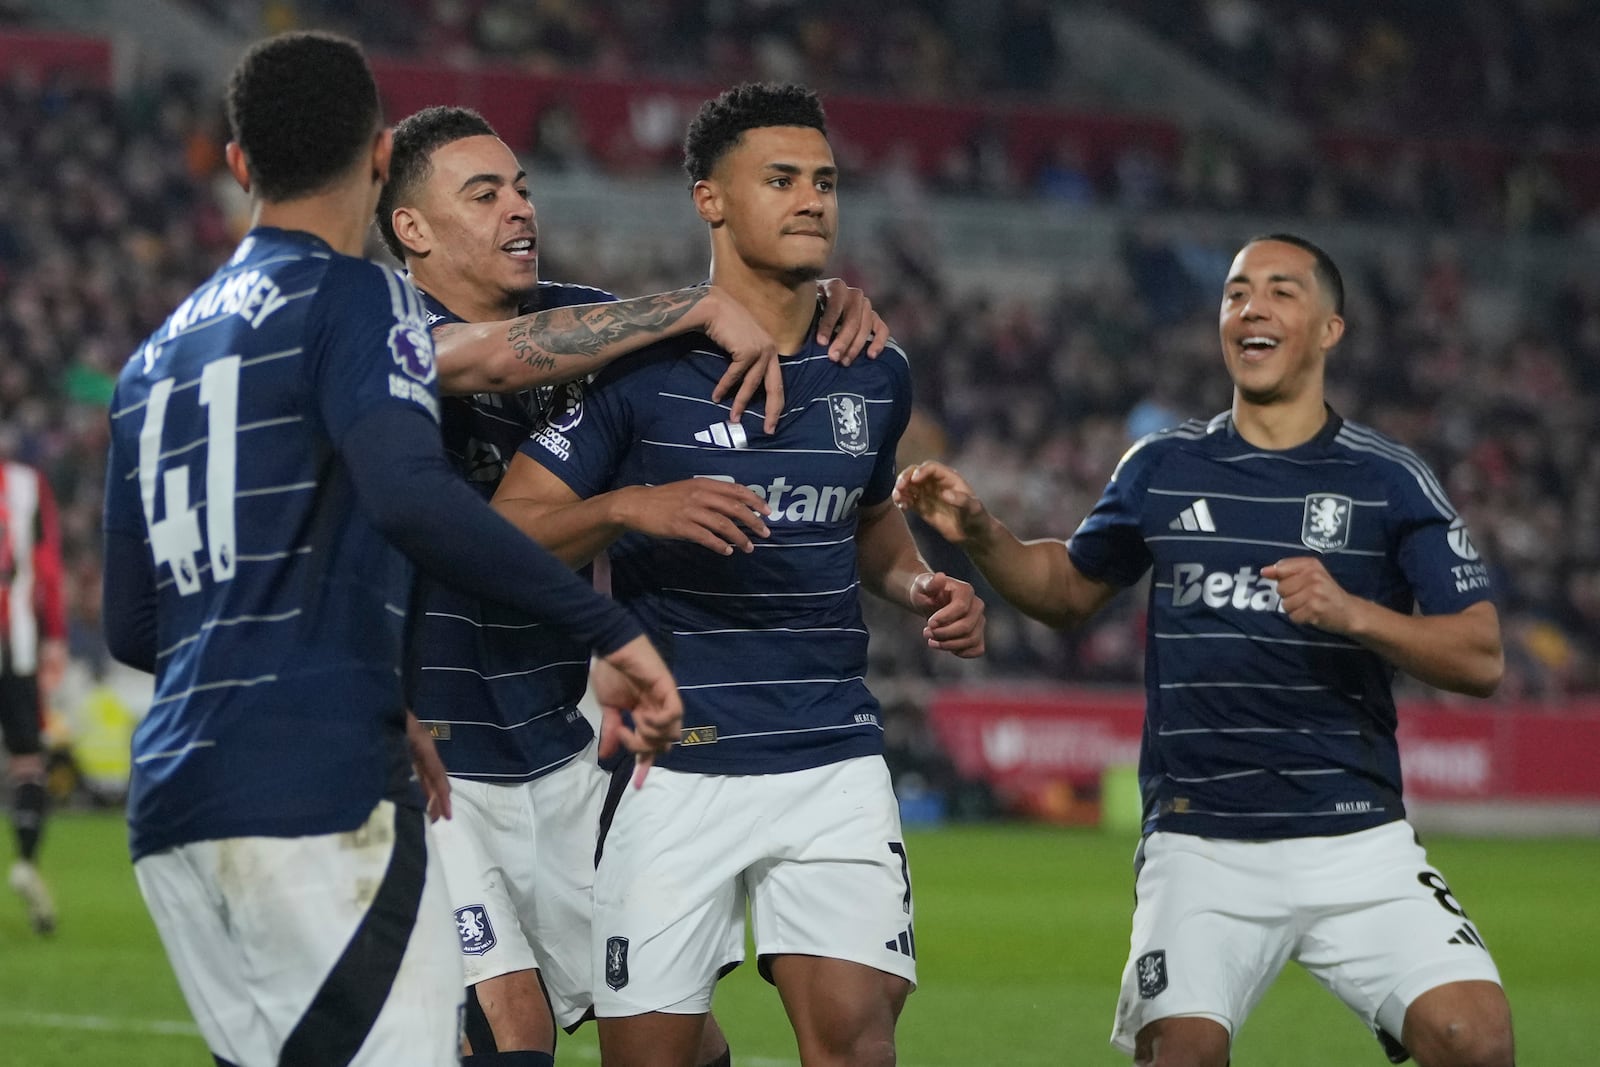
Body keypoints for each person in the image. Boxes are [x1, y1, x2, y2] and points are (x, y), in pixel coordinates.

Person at [100, 32, 681, 1067]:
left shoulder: (154, 356)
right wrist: (604, 622)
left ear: (239, 165)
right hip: (309, 796)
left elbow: (135, 624)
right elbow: (410, 495)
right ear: (379, 164)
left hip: (172, 803)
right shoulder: (359, 298)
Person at [894, 234, 1514, 1067]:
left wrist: (1354, 614)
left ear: (1332, 327)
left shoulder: (1390, 478)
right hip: (1200, 844)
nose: (1251, 307)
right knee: (1180, 1053)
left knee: (1475, 1038)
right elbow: (1067, 591)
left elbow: (1481, 655)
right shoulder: (1164, 466)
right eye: (1235, 293)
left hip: (1355, 838)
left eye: (1281, 292)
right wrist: (980, 531)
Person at [492, 83, 988, 1067]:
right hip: (675, 762)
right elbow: (509, 526)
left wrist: (921, 585)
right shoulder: (640, 368)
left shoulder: (873, 369)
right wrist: (628, 506)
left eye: (825, 181)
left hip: (829, 755)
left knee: (854, 1040)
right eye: (781, 180)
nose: (812, 200)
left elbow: (868, 516)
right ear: (709, 200)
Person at [376, 103, 882, 1066]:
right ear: (412, 227)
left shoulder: (590, 324)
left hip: (561, 745)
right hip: (427, 746)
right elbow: (474, 359)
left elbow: (732, 331)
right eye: (483, 194)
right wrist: (628, 500)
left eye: (521, 186)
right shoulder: (372, 326)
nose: (519, 208)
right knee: (510, 1027)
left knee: (684, 1044)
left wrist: (823, 301)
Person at [0, 451, 67, 934]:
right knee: (27, 761)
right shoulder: (26, 483)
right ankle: (24, 860)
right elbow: (46, 567)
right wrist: (57, 637)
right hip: (16, 643)